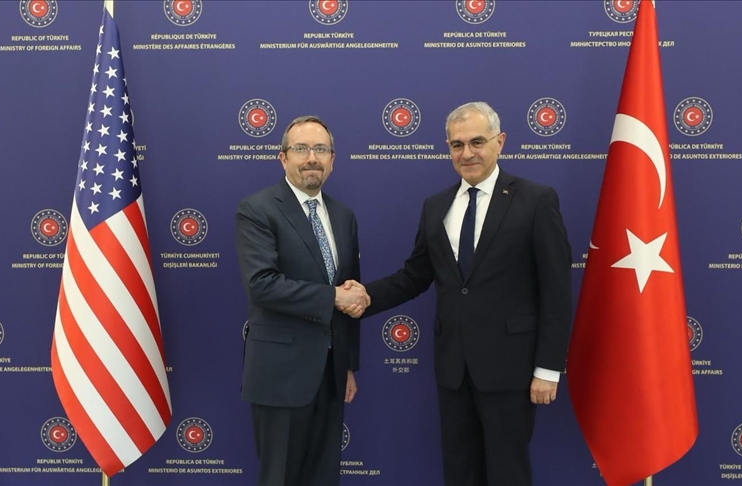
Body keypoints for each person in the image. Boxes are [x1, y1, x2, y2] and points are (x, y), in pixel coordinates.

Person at [344, 102, 573, 485]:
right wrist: (364, 296)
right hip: (453, 371)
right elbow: (414, 276)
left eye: (477, 142)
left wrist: (548, 369)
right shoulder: (436, 207)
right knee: (459, 474)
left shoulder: (536, 200)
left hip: (511, 371)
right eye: (457, 144)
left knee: (508, 474)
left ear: (500, 142)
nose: (467, 153)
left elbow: (556, 291)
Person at [235, 115, 369, 486]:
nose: (312, 158)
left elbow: (349, 291)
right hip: (280, 376)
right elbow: (262, 285)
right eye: (301, 149)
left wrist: (348, 364)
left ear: (332, 159)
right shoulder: (257, 209)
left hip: (330, 375)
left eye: (321, 149)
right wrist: (334, 297)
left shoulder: (343, 216)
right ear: (283, 158)